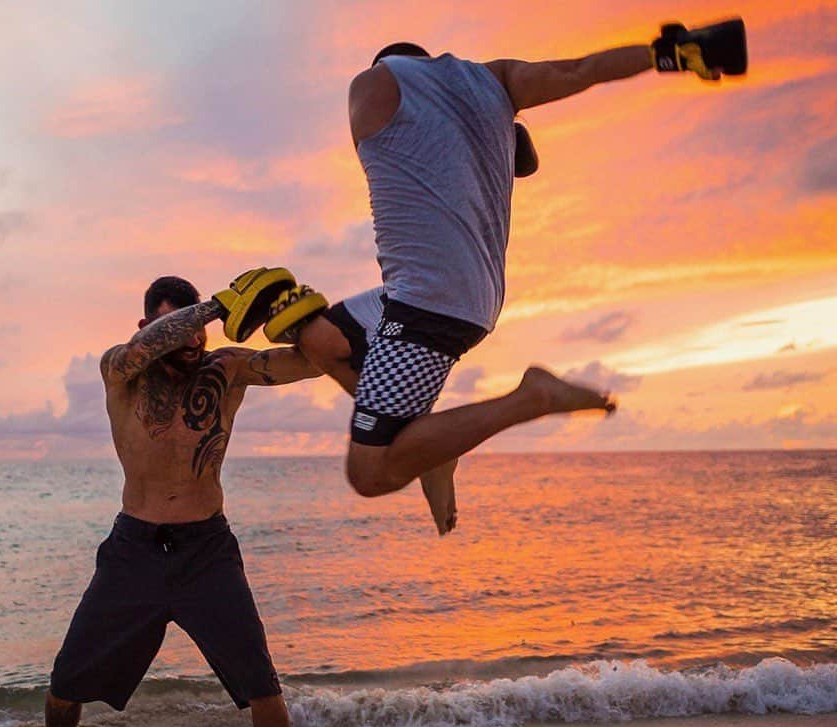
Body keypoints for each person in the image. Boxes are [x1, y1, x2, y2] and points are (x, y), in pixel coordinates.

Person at [264, 22, 746, 504]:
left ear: (387, 64)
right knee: (323, 340)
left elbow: (393, 147)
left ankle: (529, 399)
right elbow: (582, 70)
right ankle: (430, 446)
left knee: (370, 475)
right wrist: (673, 55)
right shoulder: (496, 81)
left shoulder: (373, 84)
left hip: (430, 302)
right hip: (451, 292)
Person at [0, 273, 321, 727]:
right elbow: (153, 344)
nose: (193, 341)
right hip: (133, 553)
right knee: (66, 679)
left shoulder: (226, 370)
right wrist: (212, 307)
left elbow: (304, 364)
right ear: (149, 328)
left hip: (207, 553)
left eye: (200, 331)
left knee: (262, 685)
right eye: (181, 327)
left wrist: (322, 324)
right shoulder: (119, 369)